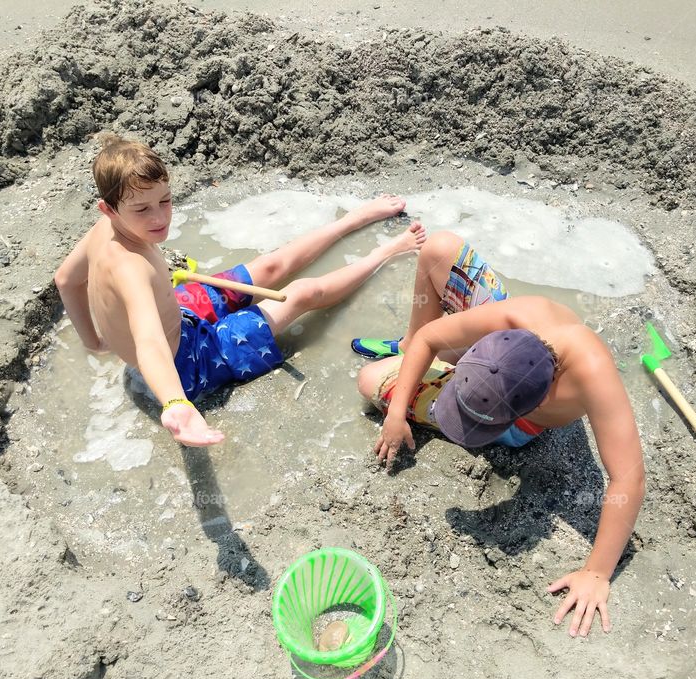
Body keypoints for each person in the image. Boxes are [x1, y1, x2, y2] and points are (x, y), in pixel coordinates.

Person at [353, 231, 645, 638]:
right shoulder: (516, 317)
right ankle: (407, 355)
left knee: (369, 379)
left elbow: (627, 476)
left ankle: (455, 393)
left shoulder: (594, 376)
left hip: (522, 422)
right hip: (504, 358)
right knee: (437, 249)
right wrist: (397, 413)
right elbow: (430, 338)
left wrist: (597, 572)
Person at [54, 135, 426, 447]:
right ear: (109, 209)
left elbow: (66, 281)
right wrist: (174, 403)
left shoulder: (102, 229)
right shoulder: (130, 267)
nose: (159, 218)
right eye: (142, 210)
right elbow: (149, 341)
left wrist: (93, 340)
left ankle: (352, 220)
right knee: (299, 294)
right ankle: (386, 251)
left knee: (268, 267)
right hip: (186, 364)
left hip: (179, 315)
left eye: (165, 201)